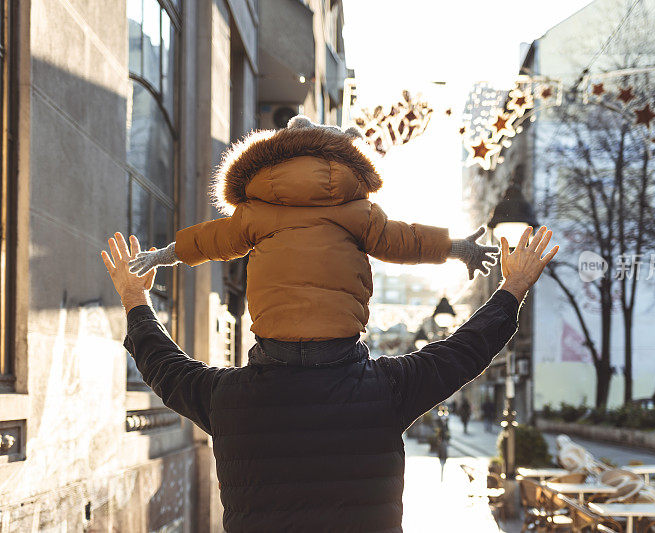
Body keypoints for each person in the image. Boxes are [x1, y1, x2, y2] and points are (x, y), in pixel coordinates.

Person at [100, 225, 558, 531]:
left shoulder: (228, 398)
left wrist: (135, 302)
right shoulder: (385, 389)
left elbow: (164, 367)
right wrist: (512, 288)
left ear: (260, 316)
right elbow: (463, 352)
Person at [128, 116, 498, 353]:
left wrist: (164, 254)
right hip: (339, 344)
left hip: (273, 344)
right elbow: (403, 240)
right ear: (347, 155)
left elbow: (210, 238)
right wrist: (457, 247)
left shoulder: (256, 211)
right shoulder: (359, 211)